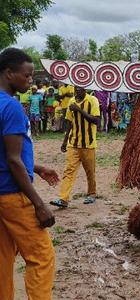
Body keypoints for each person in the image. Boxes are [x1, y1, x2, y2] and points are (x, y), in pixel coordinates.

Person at [0, 48, 59, 300]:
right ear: (9, 73)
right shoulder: (11, 107)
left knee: (2, 259)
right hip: (14, 194)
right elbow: (13, 160)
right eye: (27, 75)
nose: (31, 80)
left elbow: (5, 153)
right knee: (41, 257)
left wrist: (37, 166)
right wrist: (39, 203)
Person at [50, 87, 100, 208]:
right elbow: (70, 123)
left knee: (90, 171)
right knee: (69, 171)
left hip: (88, 143)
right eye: (76, 88)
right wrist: (65, 141)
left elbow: (96, 120)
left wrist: (79, 110)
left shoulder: (93, 100)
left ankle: (92, 194)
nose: (77, 91)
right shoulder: (71, 101)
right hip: (73, 143)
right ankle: (63, 198)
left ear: (86, 89)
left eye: (80, 89)